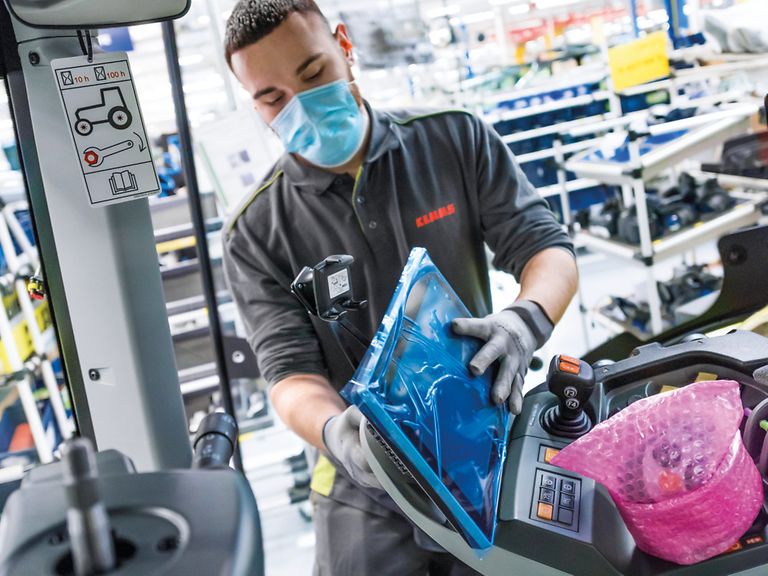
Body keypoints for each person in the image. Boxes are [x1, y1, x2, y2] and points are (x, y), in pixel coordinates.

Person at [222, 1, 578, 574]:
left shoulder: (452, 139)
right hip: (360, 473)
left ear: (344, 46)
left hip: (480, 435)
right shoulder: (256, 231)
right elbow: (289, 374)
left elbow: (547, 249)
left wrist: (523, 322)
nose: (299, 104)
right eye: (272, 98)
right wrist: (337, 434)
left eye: (313, 73)